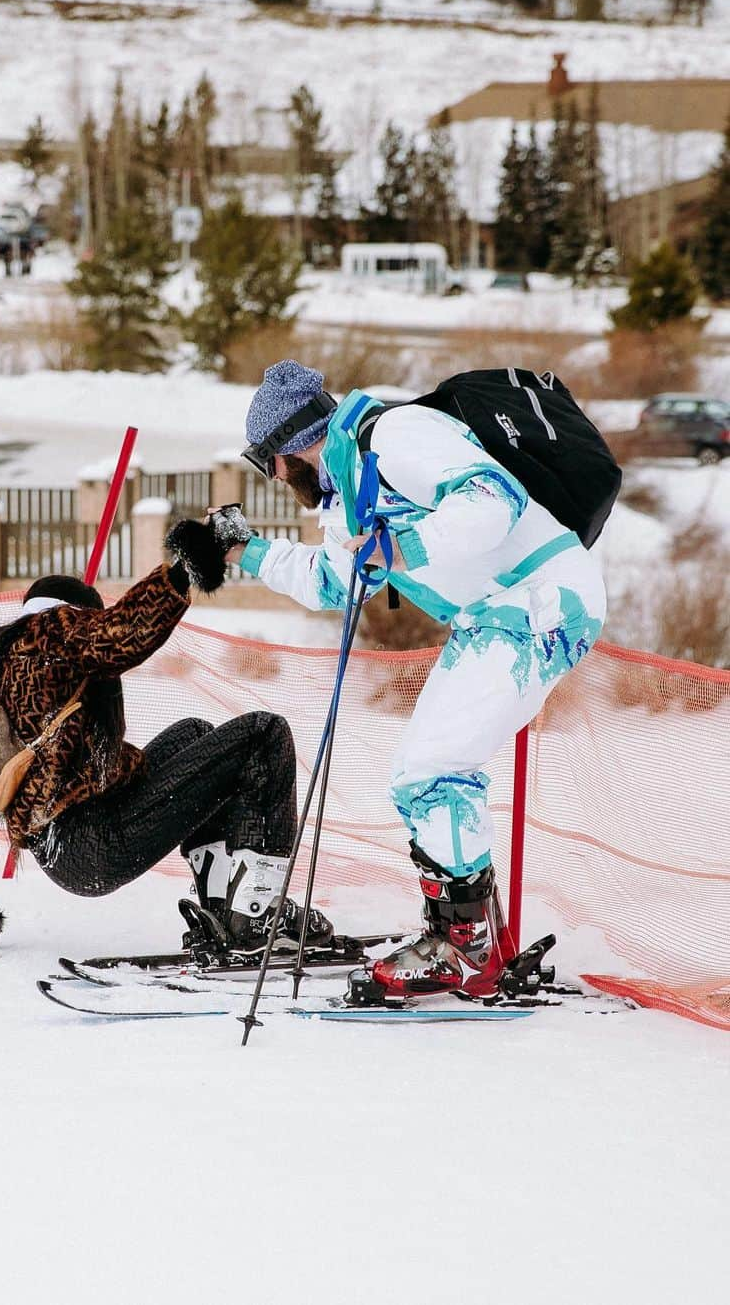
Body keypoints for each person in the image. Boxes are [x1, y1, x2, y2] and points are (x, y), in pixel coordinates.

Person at [211, 359, 606, 1004]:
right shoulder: (348, 494)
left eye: (267, 463)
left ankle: (464, 947)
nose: (276, 478)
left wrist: (400, 550)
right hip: (491, 619)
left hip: (540, 602)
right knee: (416, 776)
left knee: (435, 769)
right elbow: (336, 582)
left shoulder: (397, 435)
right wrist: (244, 550)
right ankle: (467, 934)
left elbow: (490, 501)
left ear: (289, 446)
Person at [0, 558, 333, 954]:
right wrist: (187, 565)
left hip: (64, 855)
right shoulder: (52, 635)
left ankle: (224, 905)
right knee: (264, 734)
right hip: (94, 843)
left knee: (193, 735)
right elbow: (127, 631)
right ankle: (259, 911)